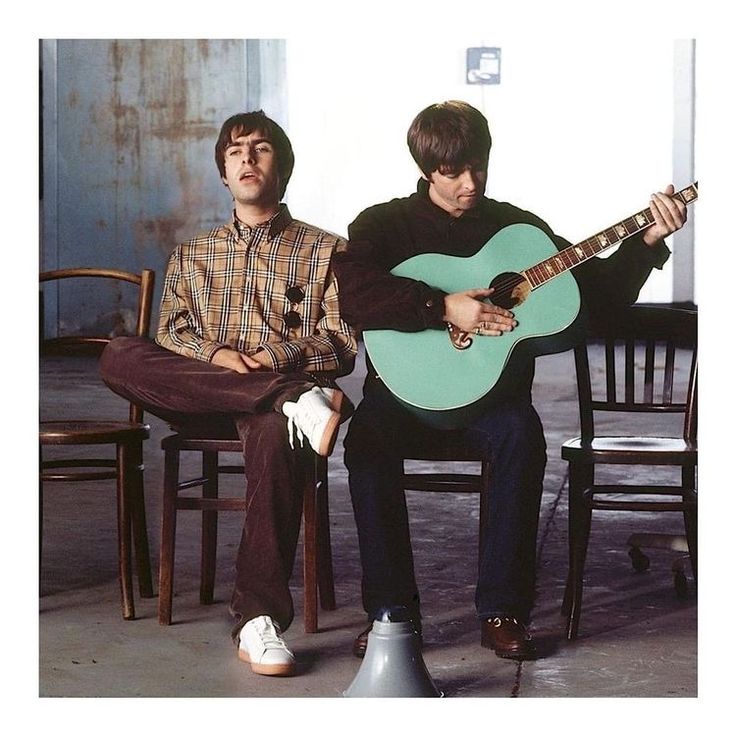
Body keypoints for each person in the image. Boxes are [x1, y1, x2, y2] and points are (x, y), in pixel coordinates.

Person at [332, 100, 686, 661]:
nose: (469, 183)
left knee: (522, 437)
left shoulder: (518, 229)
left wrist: (645, 244)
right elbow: (356, 295)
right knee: (366, 443)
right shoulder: (381, 224)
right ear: (426, 168)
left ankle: (504, 610)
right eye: (453, 172)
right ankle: (390, 613)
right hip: (401, 396)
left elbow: (594, 299)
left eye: (479, 166)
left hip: (493, 401)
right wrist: (441, 306)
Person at [100, 110, 357, 676]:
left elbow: (342, 344)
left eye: (261, 149)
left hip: (274, 421)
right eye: (236, 150)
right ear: (222, 170)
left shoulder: (327, 250)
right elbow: (171, 333)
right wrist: (220, 359)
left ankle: (256, 621)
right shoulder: (193, 254)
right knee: (119, 353)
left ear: (281, 167)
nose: (247, 158)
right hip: (205, 399)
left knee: (274, 433)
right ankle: (287, 396)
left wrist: (271, 359)